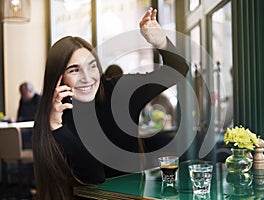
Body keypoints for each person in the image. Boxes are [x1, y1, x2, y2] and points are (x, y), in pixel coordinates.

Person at [33, 7, 189, 200]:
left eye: (92, 66)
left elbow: (178, 69)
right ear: (59, 78)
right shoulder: (55, 119)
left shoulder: (119, 91)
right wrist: (57, 129)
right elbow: (95, 176)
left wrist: (160, 41)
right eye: (74, 70)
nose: (87, 78)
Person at [17, 82, 41, 149]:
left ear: (30, 91)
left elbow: (39, 117)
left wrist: (22, 119)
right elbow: (19, 115)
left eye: (24, 94)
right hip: (23, 127)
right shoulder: (22, 100)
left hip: (35, 128)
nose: (22, 96)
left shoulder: (39, 100)